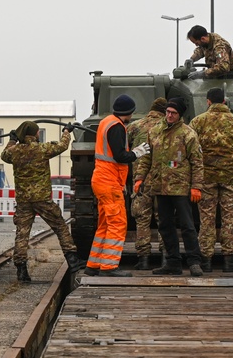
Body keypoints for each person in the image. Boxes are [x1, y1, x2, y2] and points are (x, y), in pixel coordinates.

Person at [1, 121, 83, 282]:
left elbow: (4, 155)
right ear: (34, 134)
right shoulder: (42, 149)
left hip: (24, 200)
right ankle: (73, 261)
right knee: (60, 227)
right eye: (38, 132)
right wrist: (67, 131)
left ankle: (21, 270)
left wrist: (12, 140)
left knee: (22, 234)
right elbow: (62, 146)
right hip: (42, 198)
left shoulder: (14, 151)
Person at [132, 97, 205, 276]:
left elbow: (197, 162)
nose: (170, 115)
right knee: (165, 225)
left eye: (173, 113)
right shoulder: (155, 131)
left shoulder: (188, 134)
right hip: (160, 186)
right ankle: (173, 262)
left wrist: (197, 186)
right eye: (168, 112)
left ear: (180, 115)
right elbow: (146, 157)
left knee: (187, 225)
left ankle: (194, 262)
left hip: (180, 187)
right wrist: (139, 178)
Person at [84, 94, 151, 277]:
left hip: (101, 179)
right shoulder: (117, 127)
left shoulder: (106, 121)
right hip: (109, 181)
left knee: (105, 224)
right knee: (118, 223)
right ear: (129, 112)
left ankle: (94, 264)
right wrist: (137, 153)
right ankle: (109, 267)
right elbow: (120, 156)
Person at [189, 87, 233, 272]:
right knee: (229, 220)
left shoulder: (197, 122)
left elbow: (190, 151)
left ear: (208, 101)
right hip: (231, 178)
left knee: (206, 220)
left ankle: (206, 261)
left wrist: (193, 179)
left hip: (205, 179)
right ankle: (229, 260)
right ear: (224, 102)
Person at [126, 97, 168, 270]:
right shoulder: (169, 127)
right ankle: (166, 257)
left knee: (142, 220)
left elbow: (123, 149)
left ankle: (143, 259)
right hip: (163, 181)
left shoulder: (135, 126)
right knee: (164, 219)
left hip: (141, 180)